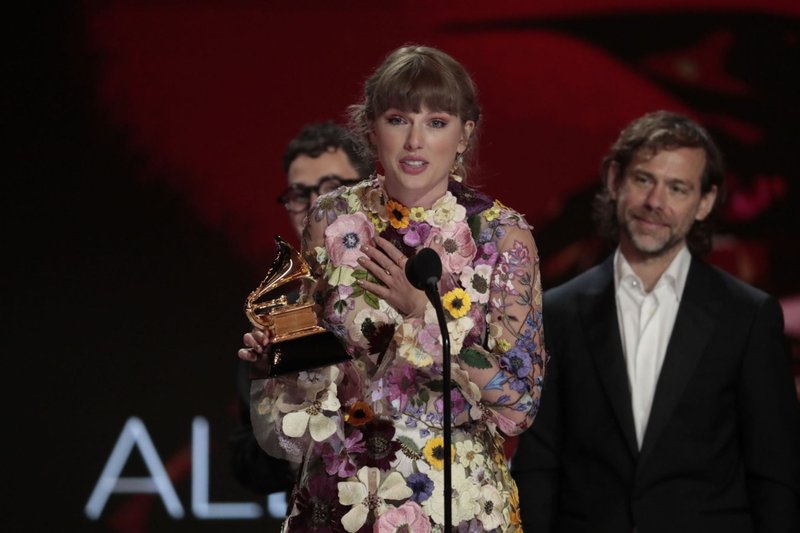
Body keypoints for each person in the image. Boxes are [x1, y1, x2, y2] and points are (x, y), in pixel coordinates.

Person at [238, 44, 546, 532]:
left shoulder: (501, 236)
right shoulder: (332, 220)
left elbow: (520, 404)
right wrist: (278, 360)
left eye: (437, 123)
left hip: (453, 503)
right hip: (341, 498)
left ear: (465, 135)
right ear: (370, 128)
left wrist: (431, 318)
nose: (415, 142)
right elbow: (308, 395)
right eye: (399, 119)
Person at [510, 110, 800, 532]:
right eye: (644, 179)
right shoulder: (558, 311)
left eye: (677, 188)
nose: (655, 203)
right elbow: (538, 466)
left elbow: (776, 472)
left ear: (704, 203)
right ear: (614, 182)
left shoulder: (748, 316)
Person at [228, 121, 372, 498]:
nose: (316, 207)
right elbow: (246, 457)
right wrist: (293, 438)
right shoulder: (273, 319)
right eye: (300, 194)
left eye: (332, 190)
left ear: (369, 192)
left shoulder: (412, 292)